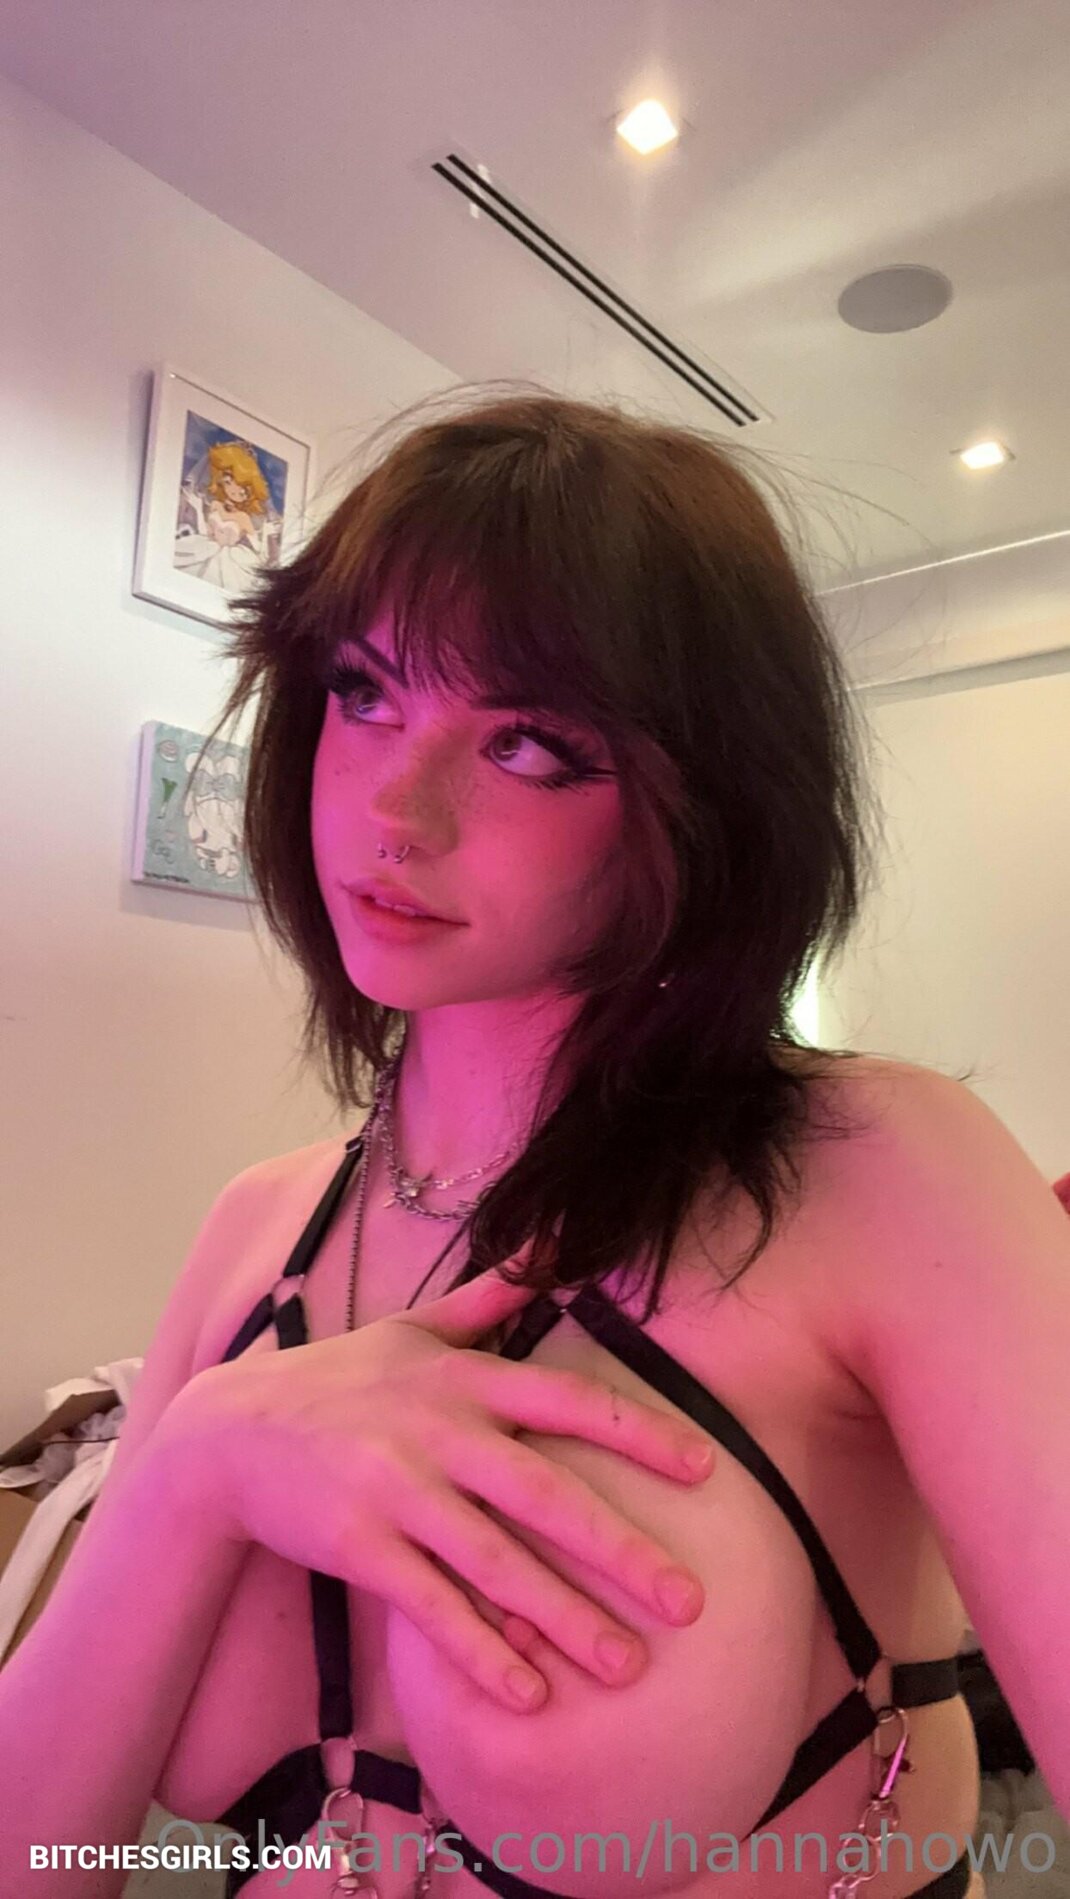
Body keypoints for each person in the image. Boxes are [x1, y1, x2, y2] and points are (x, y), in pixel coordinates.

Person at [2, 388, 1068, 1899]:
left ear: (711, 800)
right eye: (365, 691)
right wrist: (195, 1472)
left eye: (529, 744)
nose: (395, 807)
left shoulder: (878, 1177)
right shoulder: (259, 1225)